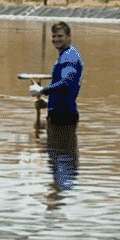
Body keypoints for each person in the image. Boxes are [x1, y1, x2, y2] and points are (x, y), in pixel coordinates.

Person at [30, 21, 84, 149]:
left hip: (63, 118)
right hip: (59, 114)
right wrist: (48, 103)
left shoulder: (70, 56)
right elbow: (66, 92)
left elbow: (66, 83)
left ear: (69, 37)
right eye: (54, 36)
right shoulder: (65, 55)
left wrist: (42, 90)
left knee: (62, 160)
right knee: (55, 157)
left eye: (60, 36)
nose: (56, 39)